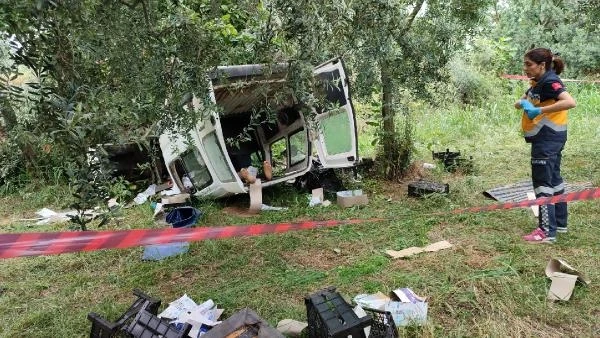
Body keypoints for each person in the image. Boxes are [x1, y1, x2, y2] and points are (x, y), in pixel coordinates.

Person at [515, 48, 576, 243]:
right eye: (524, 64)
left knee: (542, 184)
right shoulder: (538, 82)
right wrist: (523, 104)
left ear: (542, 65)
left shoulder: (550, 81)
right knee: (554, 180)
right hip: (549, 138)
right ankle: (560, 223)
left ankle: (546, 232)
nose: (525, 68)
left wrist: (539, 110)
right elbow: (525, 101)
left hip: (547, 139)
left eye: (529, 64)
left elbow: (570, 102)